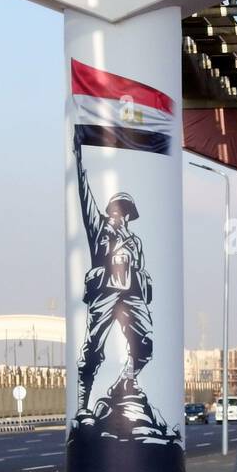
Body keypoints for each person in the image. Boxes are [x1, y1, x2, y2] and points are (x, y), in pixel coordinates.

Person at [73, 133, 154, 414]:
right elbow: (85, 197)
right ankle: (82, 405)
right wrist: (79, 158)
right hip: (105, 293)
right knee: (92, 351)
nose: (123, 214)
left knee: (145, 343)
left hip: (131, 295)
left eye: (127, 211)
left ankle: (123, 383)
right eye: (120, 209)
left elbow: (141, 270)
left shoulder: (136, 242)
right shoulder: (100, 229)